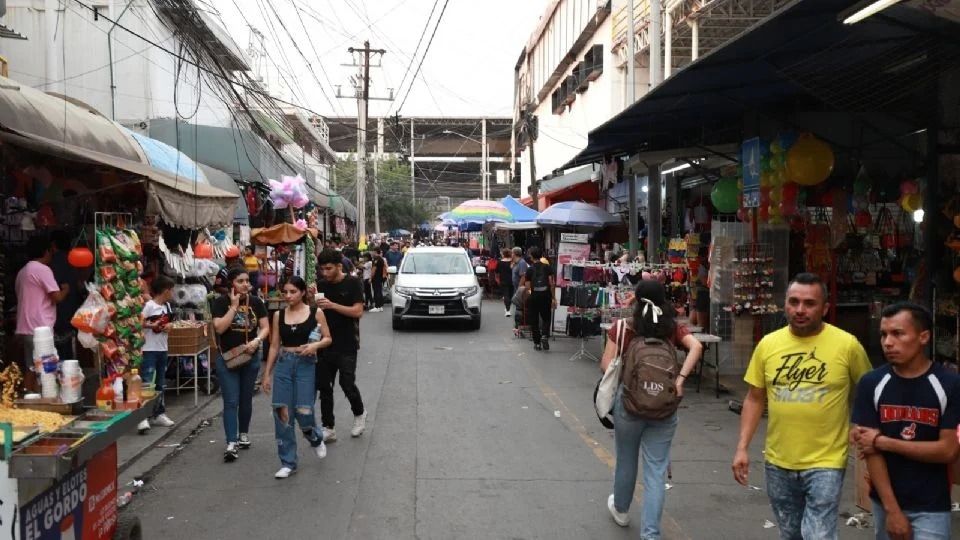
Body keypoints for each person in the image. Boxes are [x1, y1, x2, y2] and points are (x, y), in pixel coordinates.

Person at [732, 273, 872, 540]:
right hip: (778, 462)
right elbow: (754, 398)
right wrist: (742, 447)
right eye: (794, 302)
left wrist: (864, 430)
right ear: (785, 304)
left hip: (827, 461)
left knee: (818, 533)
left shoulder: (847, 346)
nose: (800, 310)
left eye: (809, 303)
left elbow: (869, 390)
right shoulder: (768, 345)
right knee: (791, 533)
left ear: (825, 308)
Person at [600, 280, 703, 536]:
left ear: (636, 299)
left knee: (626, 459)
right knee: (656, 471)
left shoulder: (623, 327)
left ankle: (621, 510)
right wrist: (679, 380)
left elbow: (605, 365)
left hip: (629, 405)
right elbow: (697, 346)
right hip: (664, 407)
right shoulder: (671, 328)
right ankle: (651, 534)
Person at [851, 302, 960, 540]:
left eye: (898, 334)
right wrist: (892, 511)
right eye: (884, 334)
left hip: (932, 504)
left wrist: (883, 442)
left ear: (923, 337)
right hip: (885, 501)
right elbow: (869, 452)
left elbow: (948, 450)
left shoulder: (950, 384)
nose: (888, 342)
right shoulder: (871, 383)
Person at [262, 277, 333, 478]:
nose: (288, 296)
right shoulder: (278, 315)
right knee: (282, 412)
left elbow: (328, 338)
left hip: (306, 364)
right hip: (284, 363)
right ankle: (288, 462)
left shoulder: (315, 312)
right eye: (285, 292)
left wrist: (314, 346)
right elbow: (274, 345)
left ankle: (315, 438)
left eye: (293, 291)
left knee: (304, 411)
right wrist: (267, 374)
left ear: (302, 292)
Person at [211, 267, 269, 462]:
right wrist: (234, 306)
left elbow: (265, 327)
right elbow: (219, 327)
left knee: (246, 399)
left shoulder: (256, 302)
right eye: (240, 281)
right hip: (227, 358)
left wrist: (257, 341)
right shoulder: (220, 303)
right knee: (231, 401)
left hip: (250, 357)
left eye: (247, 281)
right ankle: (231, 442)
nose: (246, 285)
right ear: (231, 285)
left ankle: (243, 433)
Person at [315, 249, 367, 442]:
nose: (325, 273)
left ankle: (359, 414)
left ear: (339, 266)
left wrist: (332, 305)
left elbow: (358, 312)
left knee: (346, 383)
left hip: (347, 342)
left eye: (328, 269)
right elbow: (317, 313)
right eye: (322, 269)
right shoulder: (321, 285)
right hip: (324, 342)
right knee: (325, 387)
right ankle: (328, 426)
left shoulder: (353, 283)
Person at [15, 235, 69, 390]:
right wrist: (65, 289)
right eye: (50, 252)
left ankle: (30, 398)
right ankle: (44, 399)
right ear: (45, 252)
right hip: (40, 328)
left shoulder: (23, 272)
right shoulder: (42, 269)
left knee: (32, 367)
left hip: (25, 327)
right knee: (47, 369)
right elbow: (57, 297)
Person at [138, 276, 177, 434]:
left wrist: (169, 326)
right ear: (165, 290)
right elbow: (138, 322)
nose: (173, 293)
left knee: (160, 383)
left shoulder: (167, 306)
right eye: (171, 290)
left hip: (162, 348)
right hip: (149, 349)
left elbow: (170, 323)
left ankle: (158, 413)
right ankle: (142, 416)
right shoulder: (149, 306)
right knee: (147, 382)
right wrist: (150, 324)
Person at [50, 230, 83, 361]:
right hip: (71, 307)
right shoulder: (72, 259)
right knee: (67, 346)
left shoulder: (55, 262)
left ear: (53, 245)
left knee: (59, 348)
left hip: (59, 310)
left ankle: (64, 374)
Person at [519, 246, 555, 351]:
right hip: (546, 295)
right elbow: (552, 284)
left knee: (534, 320)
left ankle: (537, 343)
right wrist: (553, 298)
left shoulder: (529, 270)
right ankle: (544, 335)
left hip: (534, 296)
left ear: (531, 256)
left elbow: (527, 287)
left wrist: (527, 297)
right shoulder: (548, 267)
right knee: (546, 318)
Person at [496, 248, 514, 318]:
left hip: (503, 280)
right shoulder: (513, 262)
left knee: (506, 295)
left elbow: (496, 273)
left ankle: (507, 310)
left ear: (503, 254)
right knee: (511, 295)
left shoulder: (500, 262)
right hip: (512, 280)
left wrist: (497, 280)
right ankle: (508, 308)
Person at [369, 248, 387, 313]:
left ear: (375, 252)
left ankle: (377, 306)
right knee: (379, 291)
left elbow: (374, 269)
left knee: (376, 292)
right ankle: (380, 306)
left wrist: (371, 278)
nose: (372, 253)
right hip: (380, 277)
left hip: (376, 278)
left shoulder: (376, 259)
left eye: (373, 252)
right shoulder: (381, 259)